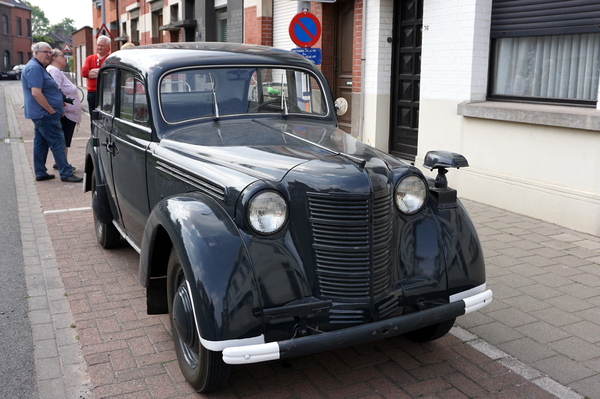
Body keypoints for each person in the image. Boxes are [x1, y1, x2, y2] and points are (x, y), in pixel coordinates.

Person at [21, 42, 82, 183]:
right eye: (45, 52)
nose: (48, 54)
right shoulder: (35, 68)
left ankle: (40, 172)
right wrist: (51, 109)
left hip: (41, 114)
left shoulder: (38, 67)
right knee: (58, 142)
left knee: (41, 143)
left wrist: (58, 101)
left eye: (49, 52)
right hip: (45, 114)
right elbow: (36, 93)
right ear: (35, 53)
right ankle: (66, 173)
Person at [47, 49, 81, 171]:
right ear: (55, 58)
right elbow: (55, 90)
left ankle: (61, 162)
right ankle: (62, 163)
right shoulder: (54, 71)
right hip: (65, 114)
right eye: (63, 55)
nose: (65, 58)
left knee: (64, 139)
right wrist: (61, 108)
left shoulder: (56, 71)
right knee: (63, 139)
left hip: (68, 113)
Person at [81, 35, 111, 114]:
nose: (99, 48)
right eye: (98, 45)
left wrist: (92, 72)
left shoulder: (111, 59)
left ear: (108, 47)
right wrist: (102, 72)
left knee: (106, 113)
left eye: (102, 46)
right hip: (92, 92)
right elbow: (84, 73)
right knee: (93, 114)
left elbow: (110, 74)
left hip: (107, 92)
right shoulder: (90, 58)